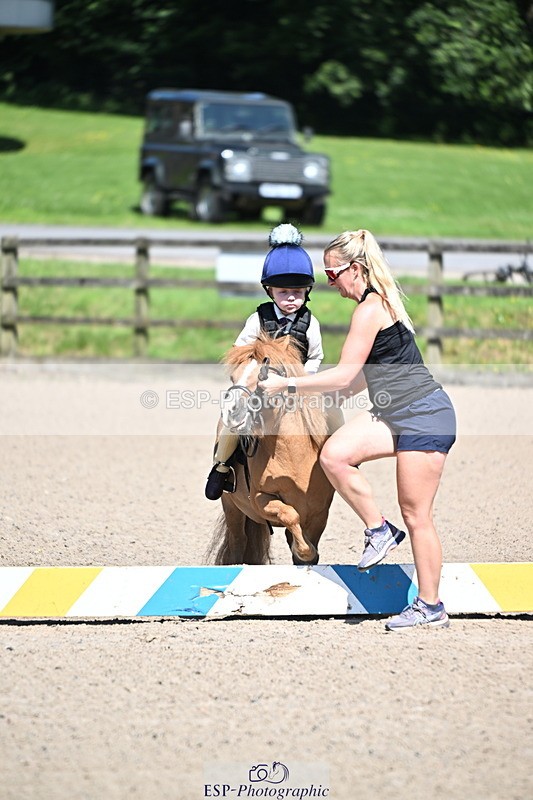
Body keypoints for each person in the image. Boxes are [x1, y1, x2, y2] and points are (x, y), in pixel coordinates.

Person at [258, 229, 457, 632]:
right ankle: (379, 529)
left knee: (417, 515)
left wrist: (288, 383)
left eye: (333, 275)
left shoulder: (369, 310)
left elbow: (344, 373)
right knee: (335, 454)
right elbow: (359, 380)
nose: (331, 284)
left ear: (356, 268)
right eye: (327, 277)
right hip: (395, 414)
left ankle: (430, 606)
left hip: (422, 416)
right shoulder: (375, 305)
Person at [204, 223, 325, 501]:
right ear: (270, 291)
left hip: (297, 387)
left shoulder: (310, 323)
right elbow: (239, 350)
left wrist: (302, 381)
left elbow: (316, 356)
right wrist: (246, 382)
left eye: (298, 292)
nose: (291, 298)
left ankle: (335, 469)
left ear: (308, 291)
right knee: (232, 418)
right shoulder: (258, 318)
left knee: (332, 416)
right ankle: (222, 467)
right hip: (259, 388)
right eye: (283, 292)